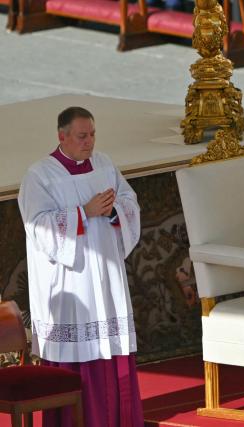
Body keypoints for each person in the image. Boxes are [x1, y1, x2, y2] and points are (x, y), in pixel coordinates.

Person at [18, 107, 143, 426]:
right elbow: (38, 226)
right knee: (81, 354)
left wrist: (115, 209)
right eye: (82, 136)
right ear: (62, 136)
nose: (89, 142)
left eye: (92, 135)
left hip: (106, 275)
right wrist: (83, 212)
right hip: (72, 280)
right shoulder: (40, 175)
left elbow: (130, 200)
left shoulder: (104, 164)